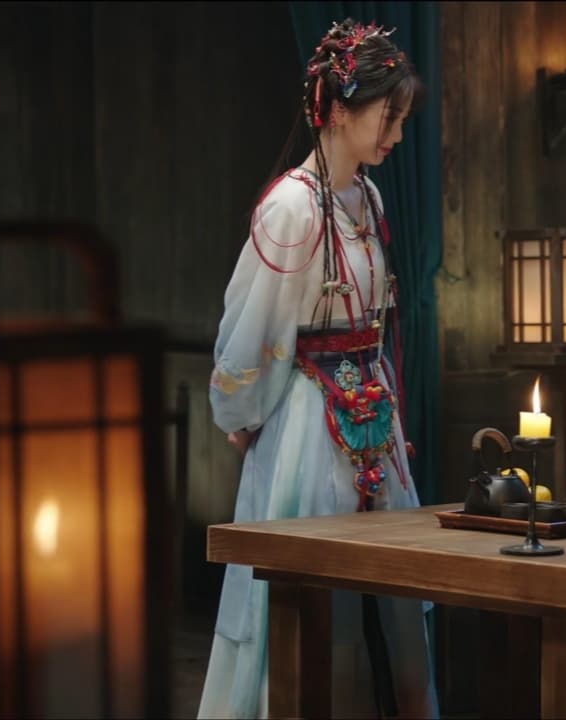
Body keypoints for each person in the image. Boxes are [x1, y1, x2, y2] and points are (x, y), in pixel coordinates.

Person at [198, 19, 438, 719]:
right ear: (337, 110)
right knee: (305, 596)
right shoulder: (291, 207)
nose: (397, 134)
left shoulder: (368, 196)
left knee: (392, 595)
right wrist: (242, 415)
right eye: (388, 116)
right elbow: (254, 332)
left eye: (402, 118)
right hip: (308, 418)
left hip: (372, 412)